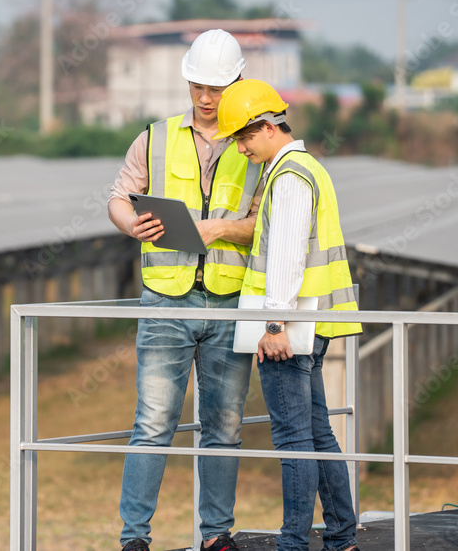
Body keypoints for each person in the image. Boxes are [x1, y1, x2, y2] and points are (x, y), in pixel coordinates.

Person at [107, 29, 265, 551]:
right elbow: (118, 196)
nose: (204, 97)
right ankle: (134, 539)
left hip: (229, 302)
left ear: (236, 83)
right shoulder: (154, 137)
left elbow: (265, 224)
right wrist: (132, 224)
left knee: (224, 425)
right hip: (165, 301)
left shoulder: (257, 144)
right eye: (197, 85)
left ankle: (216, 536)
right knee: (152, 422)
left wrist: (222, 230)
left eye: (216, 88)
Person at [213, 79, 362, 551]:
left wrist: (274, 324)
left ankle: (294, 543)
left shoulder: (290, 176)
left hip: (290, 328)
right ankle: (341, 536)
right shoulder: (305, 168)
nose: (240, 148)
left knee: (294, 437)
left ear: (266, 126)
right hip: (310, 324)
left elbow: (288, 256)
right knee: (318, 432)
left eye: (243, 137)